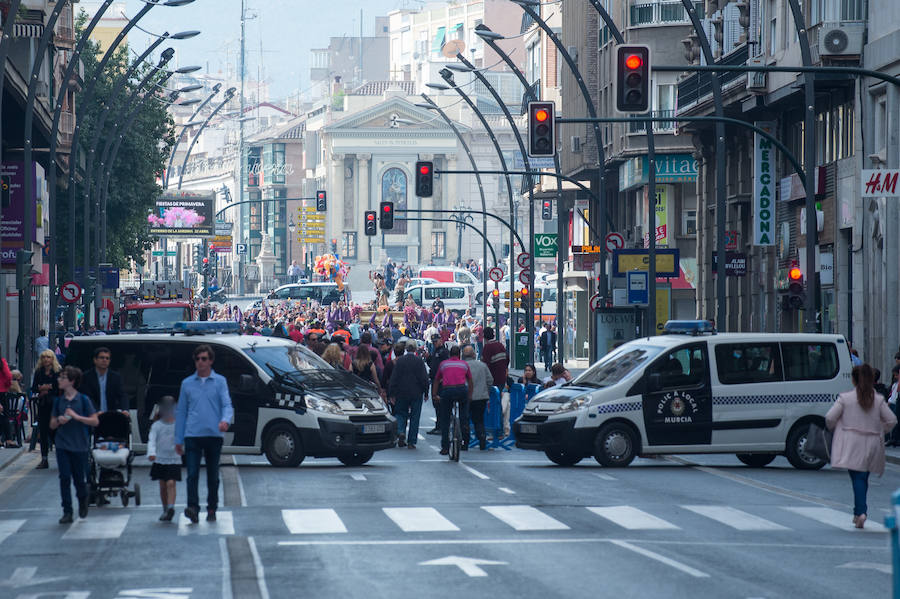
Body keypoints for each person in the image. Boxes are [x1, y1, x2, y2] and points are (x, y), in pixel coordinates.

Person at [826, 363, 897, 529]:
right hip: (872, 442)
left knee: (857, 478)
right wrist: (880, 430)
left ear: (853, 380)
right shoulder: (878, 400)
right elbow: (892, 420)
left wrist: (839, 428)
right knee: (863, 478)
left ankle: (860, 512)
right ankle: (858, 512)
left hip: (852, 441)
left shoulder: (846, 398)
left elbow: (830, 418)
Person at [175, 344, 234, 524]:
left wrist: (225, 420)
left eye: (204, 359)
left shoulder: (220, 381)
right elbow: (182, 412)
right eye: (198, 359)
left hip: (214, 435)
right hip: (192, 434)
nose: (201, 362)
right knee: (192, 474)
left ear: (211, 361)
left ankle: (212, 508)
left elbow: (227, 404)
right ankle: (192, 507)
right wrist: (178, 439)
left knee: (213, 475)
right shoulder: (187, 383)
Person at [50, 366, 98, 524]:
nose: (59, 380)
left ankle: (83, 499)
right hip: (62, 444)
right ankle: (67, 511)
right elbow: (51, 424)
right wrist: (59, 421)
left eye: (62, 378)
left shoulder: (83, 400)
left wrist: (77, 417)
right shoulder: (59, 401)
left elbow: (94, 421)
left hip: (80, 445)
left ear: (71, 381)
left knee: (79, 479)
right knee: (64, 477)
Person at [432, 345, 472, 455]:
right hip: (461, 390)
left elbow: (436, 380)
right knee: (464, 417)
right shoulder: (464, 364)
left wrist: (435, 395)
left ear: (449, 354)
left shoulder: (443, 364)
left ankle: (445, 447)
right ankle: (465, 442)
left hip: (447, 391)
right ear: (459, 355)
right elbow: (470, 380)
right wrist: (469, 395)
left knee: (445, 418)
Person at [388, 341, 429, 449]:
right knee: (415, 416)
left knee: (401, 413)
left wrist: (391, 393)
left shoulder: (400, 361)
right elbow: (424, 378)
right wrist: (426, 392)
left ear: (406, 348)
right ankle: (412, 441)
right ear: (415, 349)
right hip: (416, 392)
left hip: (402, 391)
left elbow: (394, 377)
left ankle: (401, 431)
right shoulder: (419, 361)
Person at [148, 395, 180, 522]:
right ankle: (165, 508)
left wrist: (182, 448)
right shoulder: (157, 426)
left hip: (173, 458)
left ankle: (171, 507)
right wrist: (151, 452)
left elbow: (181, 439)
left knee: (171, 483)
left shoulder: (177, 425)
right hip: (160, 459)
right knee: (162, 486)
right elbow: (151, 440)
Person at [31, 349, 62, 469]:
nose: (46, 360)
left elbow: (58, 387)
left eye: (48, 357)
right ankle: (44, 459)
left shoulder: (57, 372)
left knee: (55, 433)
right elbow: (34, 388)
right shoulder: (39, 372)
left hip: (54, 406)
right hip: (43, 405)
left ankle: (60, 457)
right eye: (43, 357)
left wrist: (46, 387)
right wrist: (43, 388)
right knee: (43, 432)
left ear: (52, 359)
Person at [80, 347, 127, 414]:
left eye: (107, 358)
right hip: (93, 416)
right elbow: (88, 397)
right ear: (95, 360)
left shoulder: (116, 377)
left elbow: (122, 395)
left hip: (110, 415)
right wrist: (97, 411)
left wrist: (125, 409)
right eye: (102, 357)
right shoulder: (86, 376)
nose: (105, 360)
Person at [462, 345, 492, 450]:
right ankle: (482, 439)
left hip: (466, 397)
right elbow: (490, 380)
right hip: (481, 397)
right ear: (474, 354)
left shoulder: (463, 366)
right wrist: (486, 390)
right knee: (479, 420)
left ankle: (465, 442)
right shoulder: (482, 366)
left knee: (465, 419)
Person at [426, 334, 450, 435]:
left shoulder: (444, 351)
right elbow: (432, 364)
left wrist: (443, 377)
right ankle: (438, 425)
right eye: (434, 342)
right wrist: (428, 358)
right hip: (435, 379)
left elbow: (446, 365)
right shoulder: (435, 351)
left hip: (441, 382)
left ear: (441, 340)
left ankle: (442, 426)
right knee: (436, 404)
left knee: (440, 404)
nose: (435, 343)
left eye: (436, 341)